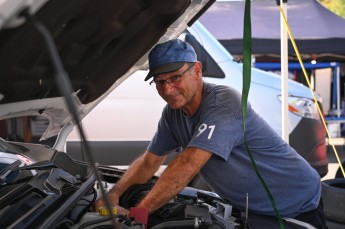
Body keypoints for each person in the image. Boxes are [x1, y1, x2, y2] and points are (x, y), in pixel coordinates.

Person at [95, 39, 327, 228]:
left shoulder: (224, 103)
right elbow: (149, 162)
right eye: (159, 82)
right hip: (250, 209)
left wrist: (136, 217)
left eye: (175, 77)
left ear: (197, 69)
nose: (167, 89)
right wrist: (114, 194)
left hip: (293, 203)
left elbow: (187, 164)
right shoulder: (172, 114)